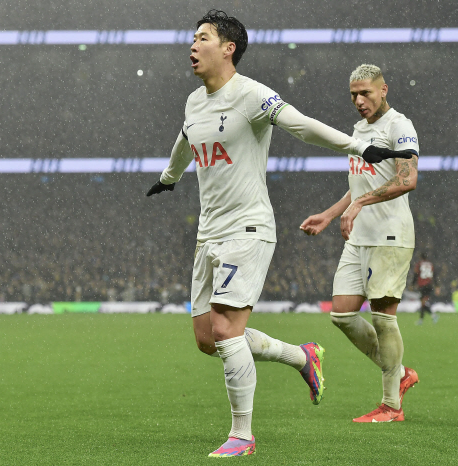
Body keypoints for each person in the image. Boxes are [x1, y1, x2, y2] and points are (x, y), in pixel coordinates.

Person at [147, 12, 412, 457]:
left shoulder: (252, 95)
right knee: (207, 338)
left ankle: (242, 436)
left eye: (202, 38)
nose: (192, 45)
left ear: (228, 48)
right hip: (209, 233)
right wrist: (169, 177)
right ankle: (302, 356)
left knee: (227, 330)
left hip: (247, 228)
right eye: (193, 38)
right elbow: (185, 138)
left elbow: (302, 124)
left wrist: (358, 146)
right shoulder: (194, 101)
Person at [300, 64, 420, 423]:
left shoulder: (399, 126)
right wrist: (330, 214)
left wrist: (360, 204)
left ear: (384, 90)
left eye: (365, 92)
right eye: (353, 94)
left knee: (383, 317)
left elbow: (407, 179)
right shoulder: (358, 130)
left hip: (390, 235)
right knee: (342, 314)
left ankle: (391, 406)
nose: (359, 100)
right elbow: (359, 185)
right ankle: (401, 373)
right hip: (359, 237)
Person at [412, 253, 439, 324]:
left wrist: (412, 284)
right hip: (429, 285)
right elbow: (435, 275)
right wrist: (437, 286)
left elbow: (416, 274)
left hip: (422, 285)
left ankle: (426, 318)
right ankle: (428, 317)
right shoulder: (430, 264)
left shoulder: (419, 264)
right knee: (423, 303)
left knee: (423, 303)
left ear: (421, 258)